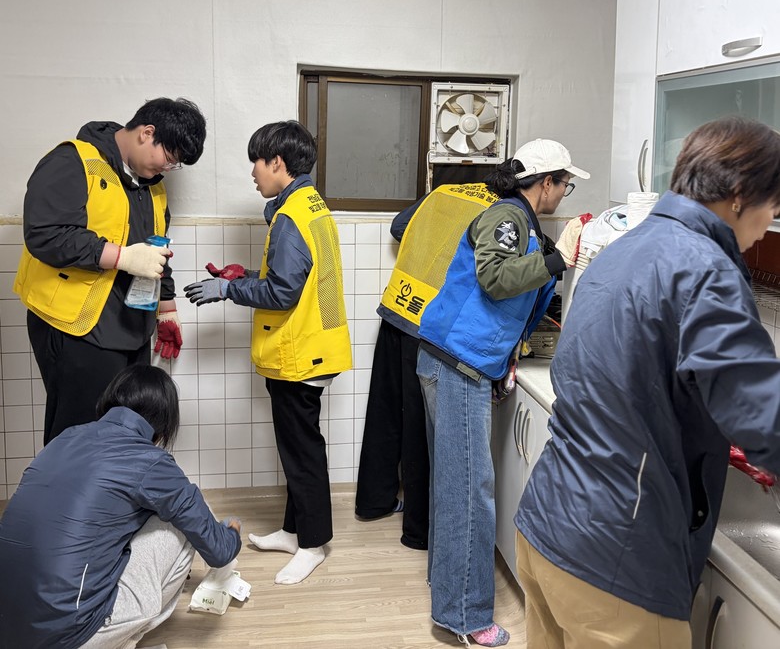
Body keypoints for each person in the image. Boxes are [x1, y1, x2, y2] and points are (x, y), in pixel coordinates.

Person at [515, 116, 780, 649]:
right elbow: (764, 420)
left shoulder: (626, 247)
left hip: (547, 524)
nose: (768, 223)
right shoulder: (705, 270)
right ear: (738, 194)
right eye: (772, 207)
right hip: (616, 559)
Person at [416, 139, 590, 647]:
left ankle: (449, 592)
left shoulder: (526, 227)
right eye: (564, 184)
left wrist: (504, 363)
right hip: (456, 364)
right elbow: (493, 279)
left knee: (455, 487)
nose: (562, 193)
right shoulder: (507, 218)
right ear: (545, 182)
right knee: (470, 492)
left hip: (460, 362)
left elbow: (511, 307)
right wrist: (559, 261)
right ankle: (465, 617)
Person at [183, 119, 352, 585]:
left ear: (277, 162)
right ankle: (295, 533)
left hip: (300, 354)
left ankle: (313, 545)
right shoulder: (309, 204)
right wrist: (244, 277)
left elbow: (282, 293)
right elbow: (293, 277)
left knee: (302, 453)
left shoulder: (291, 216)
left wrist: (228, 290)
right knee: (297, 448)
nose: (253, 173)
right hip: (314, 346)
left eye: (256, 163)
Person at [0, 364, 241, 649]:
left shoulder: (64, 438)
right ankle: (122, 642)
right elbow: (218, 550)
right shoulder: (150, 460)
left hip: (9, 629)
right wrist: (232, 533)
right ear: (165, 420)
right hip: (68, 637)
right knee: (183, 519)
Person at [14, 97, 207, 445]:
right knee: (79, 435)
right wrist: (120, 256)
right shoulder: (73, 161)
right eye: (169, 157)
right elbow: (45, 234)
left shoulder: (153, 185)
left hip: (131, 327)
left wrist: (166, 309)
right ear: (147, 133)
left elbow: (157, 251)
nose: (167, 169)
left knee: (125, 433)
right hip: (77, 326)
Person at [355, 182, 497, 550]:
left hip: (397, 305)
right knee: (420, 427)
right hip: (428, 322)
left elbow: (399, 226)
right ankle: (418, 532)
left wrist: (434, 241)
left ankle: (374, 501)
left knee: (385, 412)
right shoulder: (502, 212)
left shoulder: (446, 192)